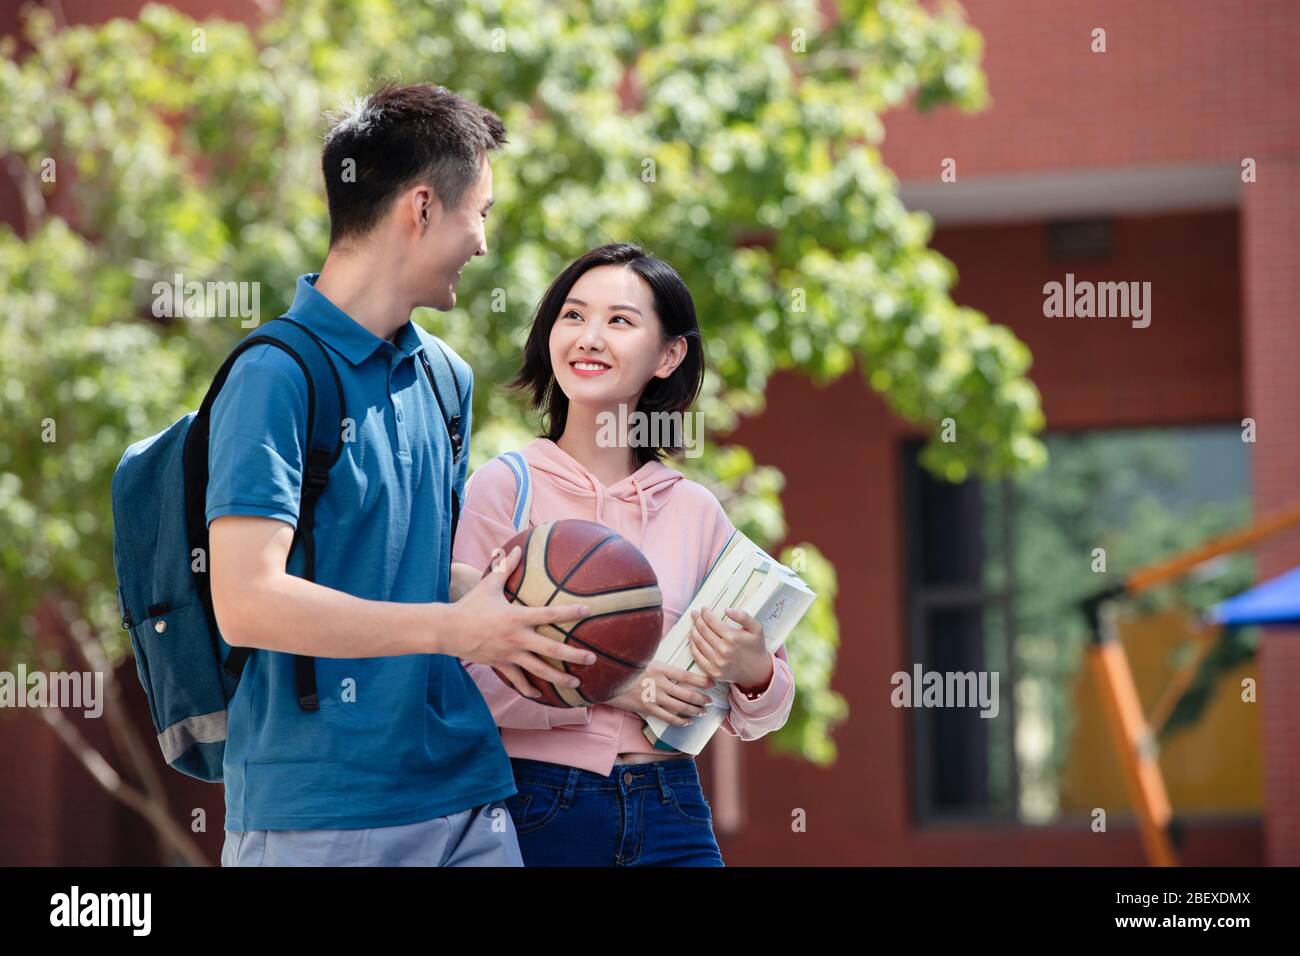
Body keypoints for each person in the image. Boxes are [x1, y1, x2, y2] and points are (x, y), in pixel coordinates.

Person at [207, 83, 594, 867]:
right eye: (478, 212)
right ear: (420, 208)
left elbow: (398, 572)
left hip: (464, 792)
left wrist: (497, 599)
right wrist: (454, 629)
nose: (484, 242)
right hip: (319, 809)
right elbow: (245, 602)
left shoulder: (445, 378)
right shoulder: (276, 376)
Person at [450, 243, 795, 866]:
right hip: (539, 803)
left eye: (620, 320)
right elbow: (464, 676)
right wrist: (614, 688)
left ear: (669, 355)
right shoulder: (504, 488)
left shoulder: (695, 509)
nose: (589, 337)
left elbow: (770, 708)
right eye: (573, 316)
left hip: (674, 806)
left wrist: (754, 667)